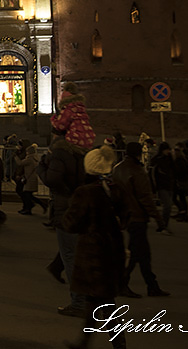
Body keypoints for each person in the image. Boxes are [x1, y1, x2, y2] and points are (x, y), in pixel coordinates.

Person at [62, 146, 129, 349]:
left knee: (105, 303)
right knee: (95, 300)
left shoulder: (85, 192)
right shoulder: (114, 188)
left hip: (93, 254)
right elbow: (125, 218)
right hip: (113, 249)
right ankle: (83, 342)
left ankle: (119, 345)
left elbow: (70, 223)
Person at [38, 127, 87, 315]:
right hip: (80, 207)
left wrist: (41, 167)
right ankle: (91, 301)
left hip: (65, 209)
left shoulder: (59, 153)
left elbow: (52, 179)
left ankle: (79, 302)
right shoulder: (81, 154)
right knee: (78, 253)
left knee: (70, 256)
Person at [111, 142, 169, 298]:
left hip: (126, 215)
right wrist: (159, 219)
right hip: (137, 216)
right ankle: (123, 283)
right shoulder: (137, 171)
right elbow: (145, 198)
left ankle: (152, 285)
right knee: (136, 253)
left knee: (142, 254)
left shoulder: (117, 168)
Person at [50, 82, 96, 150]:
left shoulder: (68, 108)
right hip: (88, 139)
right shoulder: (81, 108)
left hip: (75, 139)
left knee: (56, 140)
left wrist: (53, 119)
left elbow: (60, 125)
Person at [150, 142, 176, 234]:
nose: (168, 151)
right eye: (167, 150)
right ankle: (163, 225)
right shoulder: (157, 160)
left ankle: (163, 224)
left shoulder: (169, 159)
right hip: (161, 185)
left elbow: (174, 169)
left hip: (169, 184)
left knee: (168, 206)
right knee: (167, 205)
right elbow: (152, 172)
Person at [15, 143, 40, 215]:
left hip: (29, 178)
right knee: (28, 194)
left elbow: (20, 163)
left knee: (26, 194)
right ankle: (29, 207)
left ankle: (28, 209)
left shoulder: (29, 159)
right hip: (31, 178)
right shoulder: (34, 158)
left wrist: (15, 156)